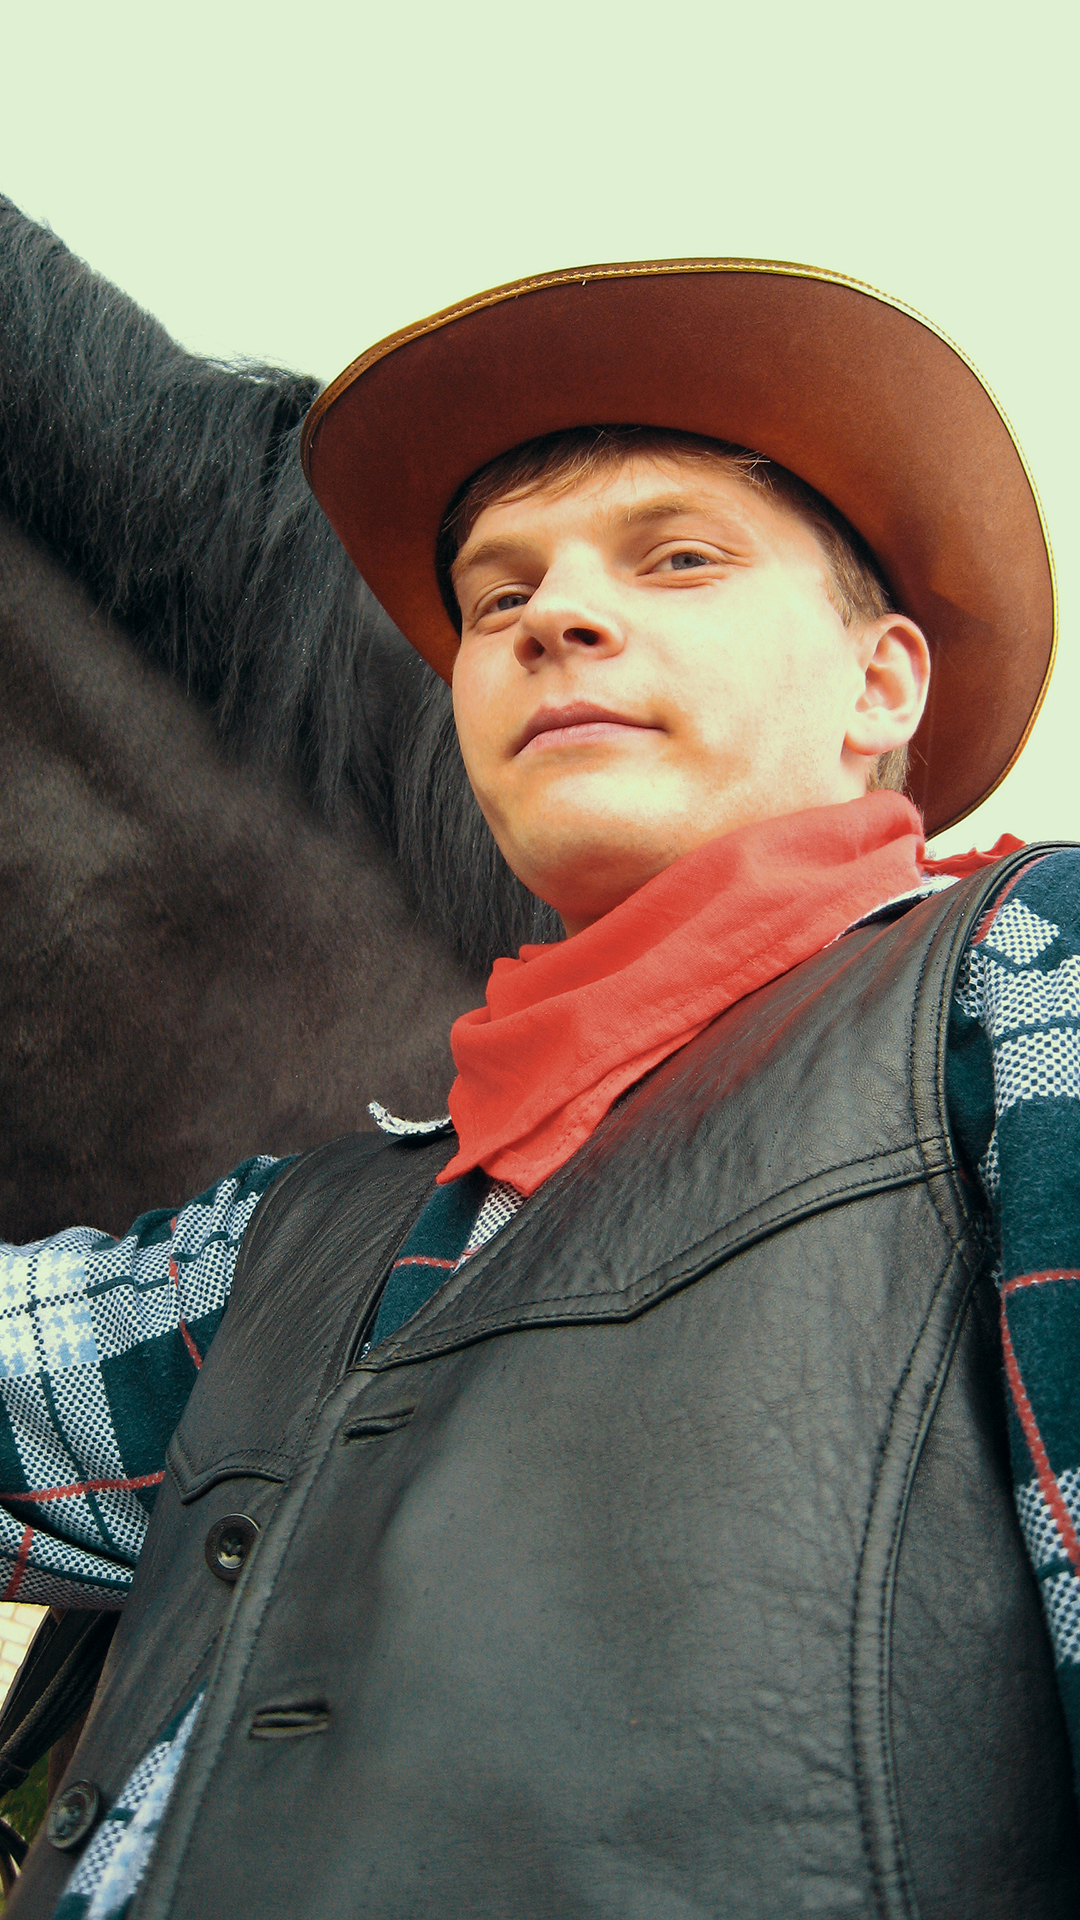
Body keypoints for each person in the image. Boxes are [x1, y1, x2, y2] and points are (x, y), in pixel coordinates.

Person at [3, 260, 1078, 1919]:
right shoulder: (312, 1228)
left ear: (882, 686)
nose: (549, 616)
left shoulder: (1031, 974)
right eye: (497, 595)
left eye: (678, 557)